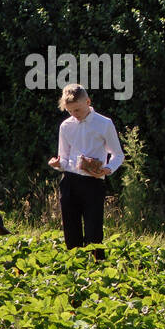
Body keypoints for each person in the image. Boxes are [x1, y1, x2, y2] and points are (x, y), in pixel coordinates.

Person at [47, 83, 125, 261]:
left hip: (93, 182)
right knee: (71, 232)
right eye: (70, 111)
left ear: (88, 102)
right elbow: (64, 158)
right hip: (70, 182)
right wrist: (57, 163)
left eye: (77, 110)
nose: (75, 114)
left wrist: (107, 169)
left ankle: (99, 270)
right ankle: (76, 270)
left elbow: (118, 154)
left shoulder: (104, 124)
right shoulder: (66, 126)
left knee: (93, 231)